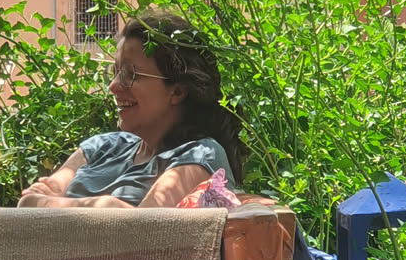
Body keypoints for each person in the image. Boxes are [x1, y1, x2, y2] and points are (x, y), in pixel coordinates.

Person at [18, 12, 243, 210]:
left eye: (130, 74)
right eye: (115, 72)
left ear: (177, 91)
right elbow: (30, 200)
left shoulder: (200, 154)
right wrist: (106, 207)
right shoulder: (101, 148)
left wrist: (104, 207)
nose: (113, 86)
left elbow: (139, 227)